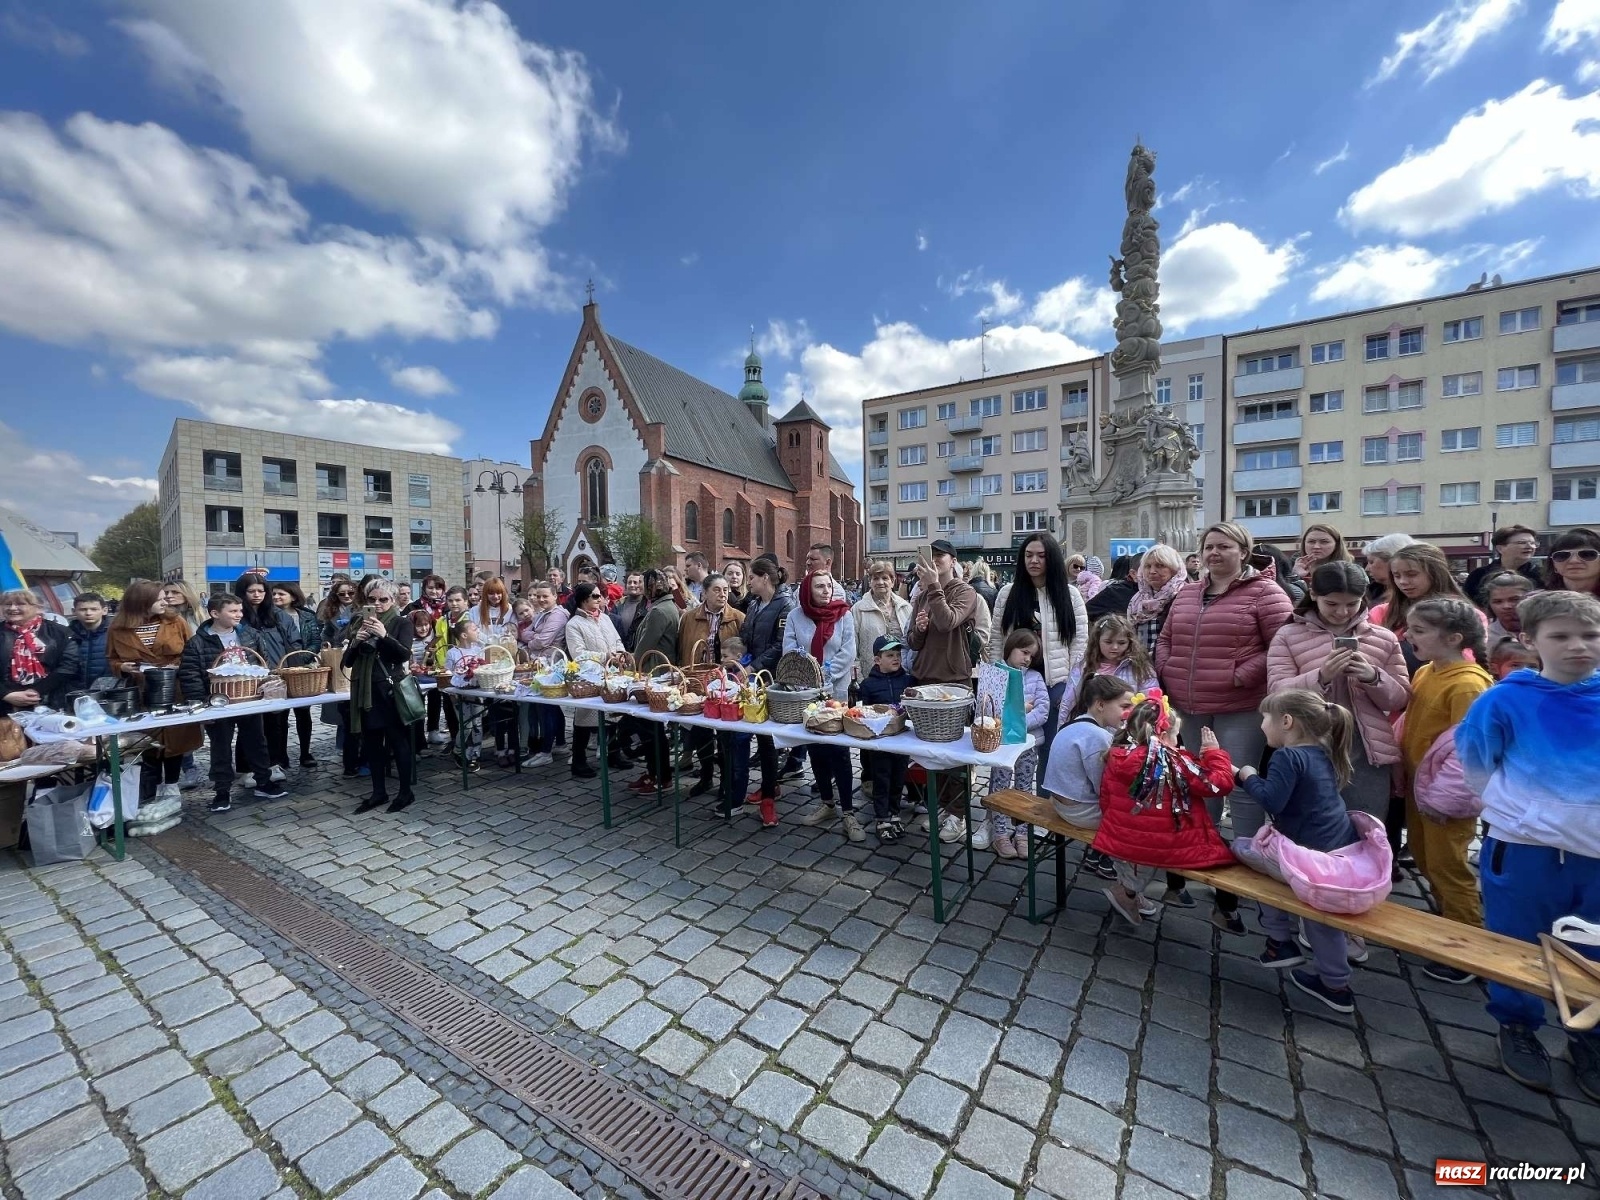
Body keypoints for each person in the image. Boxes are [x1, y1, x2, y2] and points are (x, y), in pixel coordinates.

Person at [1458, 590, 1600, 1098]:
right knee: (1515, 938)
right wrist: (1523, 811)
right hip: (1524, 847)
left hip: (1596, 858)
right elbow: (1476, 764)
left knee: (1592, 946)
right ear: (1530, 640)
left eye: (1590, 635)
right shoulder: (1504, 700)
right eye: (1561, 636)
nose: (1578, 646)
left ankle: (1588, 1031)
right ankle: (1517, 1024)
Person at [1156, 523, 1294, 925]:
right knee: (1200, 785)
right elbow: (1165, 638)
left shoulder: (1266, 593)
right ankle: (1204, 861)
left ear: (1244, 551)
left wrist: (1238, 674)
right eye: (1209, 546)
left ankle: (1245, 876)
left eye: (1224, 546)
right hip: (1191, 705)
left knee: (1239, 787)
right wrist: (1166, 665)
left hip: (1239, 706)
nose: (1215, 553)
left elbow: (1281, 647)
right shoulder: (1187, 592)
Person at [1242, 689, 1362, 1014]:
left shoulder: (1287, 756)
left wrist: (1247, 776)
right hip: (1337, 854)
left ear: (1286, 721)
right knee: (1322, 918)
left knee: (1244, 853)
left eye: (1264, 718)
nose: (1262, 725)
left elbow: (1271, 801)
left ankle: (1278, 941)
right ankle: (1336, 984)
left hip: (1307, 857)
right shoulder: (1323, 751)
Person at [1267, 562, 1410, 823]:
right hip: (1308, 740)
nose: (1342, 612)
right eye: (1331, 604)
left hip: (1365, 746)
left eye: (1352, 604)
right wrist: (1321, 677)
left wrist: (1372, 676)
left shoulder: (1384, 638)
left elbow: (1400, 698)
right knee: (1310, 823)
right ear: (1313, 595)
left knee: (1366, 822)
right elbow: (1276, 695)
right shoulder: (1288, 635)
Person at [1401, 597, 1492, 982]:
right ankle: (1448, 921)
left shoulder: (1469, 685)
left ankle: (1467, 947)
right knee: (1426, 859)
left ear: (1454, 638)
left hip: (1446, 797)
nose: (1408, 636)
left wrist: (1448, 797)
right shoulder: (1426, 672)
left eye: (1419, 631)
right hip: (1419, 789)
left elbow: (1470, 753)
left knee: (1450, 866)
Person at [1092, 691, 1236, 927]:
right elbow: (1219, 784)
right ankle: (1227, 913)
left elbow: (1106, 799)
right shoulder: (1173, 761)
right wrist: (1213, 754)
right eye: (1176, 735)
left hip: (1120, 838)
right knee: (1228, 849)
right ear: (1165, 734)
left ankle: (1134, 891)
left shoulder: (1117, 754)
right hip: (1163, 846)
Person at [989, 533, 1088, 789]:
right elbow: (997, 639)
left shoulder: (1070, 595)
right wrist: (996, 681)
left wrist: (1073, 684)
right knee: (1004, 746)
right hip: (1014, 682)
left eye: (1041, 556)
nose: (1034, 561)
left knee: (1051, 749)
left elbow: (1079, 643)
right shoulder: (1008, 593)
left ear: (1052, 559)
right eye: (1028, 555)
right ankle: (996, 814)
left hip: (1056, 682)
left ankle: (1044, 812)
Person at [177, 593, 283, 811]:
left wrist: (265, 686)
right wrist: (203, 703)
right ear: (215, 613)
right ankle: (222, 790)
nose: (239, 615)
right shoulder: (197, 642)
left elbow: (263, 662)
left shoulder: (249, 636)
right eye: (233, 611)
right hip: (217, 703)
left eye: (240, 610)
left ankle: (263, 781)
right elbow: (190, 675)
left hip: (249, 699)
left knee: (256, 741)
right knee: (220, 747)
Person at [907, 539, 981, 837]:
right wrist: (920, 630)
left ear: (953, 561)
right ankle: (941, 807)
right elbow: (912, 641)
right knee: (930, 753)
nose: (935, 561)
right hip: (925, 677)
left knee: (954, 753)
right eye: (931, 556)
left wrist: (935, 588)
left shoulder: (965, 591)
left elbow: (950, 620)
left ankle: (958, 816)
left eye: (940, 556)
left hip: (954, 679)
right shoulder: (923, 595)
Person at [107, 580, 201, 805]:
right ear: (143, 602)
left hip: (174, 689)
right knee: (148, 740)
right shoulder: (117, 628)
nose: (165, 601)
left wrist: (178, 665)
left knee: (175, 739)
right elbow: (112, 658)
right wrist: (122, 667)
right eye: (159, 599)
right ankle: (152, 786)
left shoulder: (175, 622)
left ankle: (171, 784)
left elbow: (192, 650)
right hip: (141, 692)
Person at [787, 570, 860, 839]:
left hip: (835, 690)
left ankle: (849, 812)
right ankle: (827, 803)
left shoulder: (844, 614)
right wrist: (810, 675)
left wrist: (826, 676)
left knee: (838, 750)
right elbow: (790, 648)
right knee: (816, 748)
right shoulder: (796, 616)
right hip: (806, 690)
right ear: (808, 589)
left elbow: (848, 650)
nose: (826, 590)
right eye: (819, 586)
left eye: (829, 585)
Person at [341, 580, 417, 814]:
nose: (377, 604)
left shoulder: (401, 622)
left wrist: (384, 636)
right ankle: (378, 792)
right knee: (372, 744)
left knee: (398, 742)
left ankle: (405, 792)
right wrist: (356, 642)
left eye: (383, 599)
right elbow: (348, 662)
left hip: (389, 690)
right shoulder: (358, 623)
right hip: (365, 692)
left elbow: (403, 654)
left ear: (393, 600)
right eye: (372, 600)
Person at [981, 629, 1051, 858]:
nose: (1028, 659)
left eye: (1032, 655)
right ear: (1011, 647)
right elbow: (988, 709)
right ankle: (999, 833)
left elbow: (1043, 709)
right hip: (1001, 744)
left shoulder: (1034, 677)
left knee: (1023, 787)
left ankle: (1021, 832)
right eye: (1024, 652)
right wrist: (1018, 713)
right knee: (999, 786)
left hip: (1027, 744)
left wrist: (1018, 721)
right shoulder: (995, 673)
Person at [733, 559, 792, 825]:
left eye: (752, 578)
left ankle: (769, 796)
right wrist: (737, 659)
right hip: (752, 677)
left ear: (765, 578)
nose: (749, 583)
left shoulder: (785, 605)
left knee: (767, 739)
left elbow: (780, 645)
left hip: (771, 678)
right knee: (755, 731)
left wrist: (754, 666)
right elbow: (746, 635)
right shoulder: (755, 603)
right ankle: (769, 785)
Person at [677, 574, 744, 798]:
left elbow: (744, 653)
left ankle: (726, 781)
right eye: (716, 589)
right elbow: (683, 649)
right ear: (704, 593)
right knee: (701, 733)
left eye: (725, 590)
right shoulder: (689, 618)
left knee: (726, 736)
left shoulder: (738, 618)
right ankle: (706, 776)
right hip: (698, 683)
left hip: (727, 687)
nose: (722, 594)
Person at [1372, 543, 1484, 675]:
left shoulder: (1467, 614)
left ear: (1436, 573)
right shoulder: (1381, 612)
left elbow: (1468, 659)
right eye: (1397, 576)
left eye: (1411, 574)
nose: (1403, 581)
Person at [628, 570, 684, 796]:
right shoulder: (663, 606)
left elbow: (644, 647)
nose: (641, 587)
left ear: (654, 586)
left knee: (650, 729)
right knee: (651, 728)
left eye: (644, 583)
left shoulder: (660, 611)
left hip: (654, 673)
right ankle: (656, 772)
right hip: (657, 671)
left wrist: (629, 665)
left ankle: (660, 775)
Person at [567, 581, 627, 779]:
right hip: (589, 678)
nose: (600, 599)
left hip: (613, 674)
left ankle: (613, 754)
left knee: (614, 716)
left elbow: (617, 640)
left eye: (600, 595)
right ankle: (579, 760)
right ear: (584, 600)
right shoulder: (574, 624)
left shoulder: (605, 619)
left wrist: (621, 654)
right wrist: (605, 656)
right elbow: (578, 654)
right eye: (595, 596)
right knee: (585, 718)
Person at [858, 634, 913, 841]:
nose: (896, 658)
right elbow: (862, 713)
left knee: (899, 778)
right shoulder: (868, 685)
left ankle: (895, 813)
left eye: (898, 654)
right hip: (879, 742)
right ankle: (882, 818)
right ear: (877, 660)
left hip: (901, 740)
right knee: (881, 779)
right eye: (890, 655)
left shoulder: (907, 680)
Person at [1, 588, 78, 715]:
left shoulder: (60, 632)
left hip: (50, 701)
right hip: (5, 704)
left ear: (38, 607)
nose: (13, 608)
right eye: (7, 604)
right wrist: (6, 694)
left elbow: (68, 666)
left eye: (20, 604)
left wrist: (36, 692)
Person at [271, 582, 323, 769]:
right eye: (274, 594)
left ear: (293, 596)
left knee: (303, 713)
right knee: (280, 716)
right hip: (279, 668)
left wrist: (302, 657)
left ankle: (305, 753)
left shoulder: (307, 616)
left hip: (302, 669)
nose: (276, 597)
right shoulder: (269, 617)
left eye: (281, 594)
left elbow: (315, 640)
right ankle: (281, 755)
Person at [519, 583, 570, 767]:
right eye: (538, 596)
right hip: (541, 665)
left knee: (546, 707)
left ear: (555, 596)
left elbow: (543, 640)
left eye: (545, 596)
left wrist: (532, 638)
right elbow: (524, 632)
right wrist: (533, 636)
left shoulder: (557, 615)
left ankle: (546, 751)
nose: (541, 600)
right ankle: (561, 743)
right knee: (551, 707)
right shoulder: (541, 614)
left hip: (552, 666)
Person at [852, 561, 914, 682]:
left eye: (885, 578)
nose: (880, 582)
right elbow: (853, 649)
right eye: (875, 578)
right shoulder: (859, 609)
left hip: (903, 676)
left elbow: (911, 643)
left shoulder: (905, 607)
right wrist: (860, 680)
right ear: (870, 582)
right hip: (871, 677)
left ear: (892, 581)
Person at [1124, 545, 1187, 654]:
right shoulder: (1137, 599)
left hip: (1173, 665)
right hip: (1141, 665)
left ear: (1174, 569)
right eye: (1147, 566)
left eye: (1160, 565)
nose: (1152, 571)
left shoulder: (1186, 596)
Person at [445, 619, 487, 771]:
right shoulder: (453, 653)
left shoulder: (478, 650)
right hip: (460, 695)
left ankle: (475, 753)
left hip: (476, 693)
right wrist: (451, 694)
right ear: (464, 635)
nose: (477, 632)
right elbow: (448, 675)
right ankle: (459, 751)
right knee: (466, 724)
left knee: (478, 723)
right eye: (474, 629)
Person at [1465, 525, 1543, 603]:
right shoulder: (1479, 575)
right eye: (1521, 543)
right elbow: (1469, 603)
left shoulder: (1542, 575)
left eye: (1532, 543)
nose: (1529, 546)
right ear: (1500, 548)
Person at [65, 592, 110, 691]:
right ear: (74, 611)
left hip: (108, 691)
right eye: (83, 609)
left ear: (104, 610)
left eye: (94, 609)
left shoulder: (115, 634)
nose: (88, 613)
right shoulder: (65, 635)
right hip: (73, 691)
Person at [1360, 533, 1414, 607]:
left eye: (1371, 562)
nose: (1367, 569)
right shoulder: (1371, 590)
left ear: (1392, 560)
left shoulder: (1413, 595)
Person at [1482, 571, 1537, 642]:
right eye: (1498, 602)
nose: (1506, 606)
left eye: (1514, 600)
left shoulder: (1547, 630)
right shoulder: (1485, 638)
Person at [1546, 527, 1600, 598]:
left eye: (1587, 554)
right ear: (1553, 564)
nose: (1574, 561)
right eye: (1562, 556)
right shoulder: (1537, 602)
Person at [612, 572, 648, 647]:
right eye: (629, 582)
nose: (632, 585)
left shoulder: (647, 605)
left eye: (635, 583)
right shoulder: (618, 604)